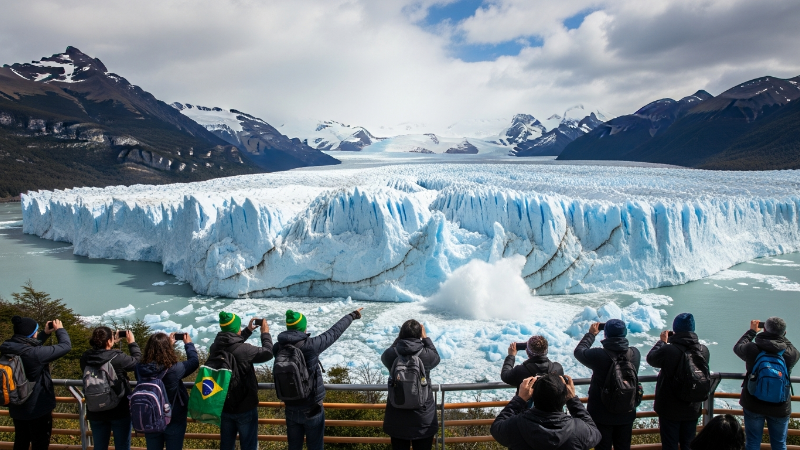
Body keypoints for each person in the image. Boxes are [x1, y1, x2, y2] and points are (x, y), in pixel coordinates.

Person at [274, 308, 364, 450]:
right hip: (312, 408)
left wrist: (263, 332)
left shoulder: (277, 348)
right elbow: (334, 332)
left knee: (293, 447)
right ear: (303, 327)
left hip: (290, 407)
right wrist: (352, 315)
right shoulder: (311, 345)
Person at [0, 316, 71, 450]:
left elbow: (27, 348)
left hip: (17, 406)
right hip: (37, 408)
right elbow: (66, 346)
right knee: (40, 444)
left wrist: (45, 334)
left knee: (21, 442)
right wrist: (60, 330)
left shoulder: (8, 348)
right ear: (33, 333)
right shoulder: (35, 355)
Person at [209, 312, 274, 450]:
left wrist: (247, 331)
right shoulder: (245, 350)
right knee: (249, 446)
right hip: (245, 407)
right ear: (236, 328)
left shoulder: (215, 347)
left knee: (226, 446)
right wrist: (265, 333)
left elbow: (232, 345)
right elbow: (268, 352)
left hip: (224, 406)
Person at [646, 313, 711, 450]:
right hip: (692, 407)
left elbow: (651, 358)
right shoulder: (703, 350)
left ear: (675, 329)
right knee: (688, 445)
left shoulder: (669, 350)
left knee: (670, 445)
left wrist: (662, 342)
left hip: (669, 409)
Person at [574, 319, 640, 450]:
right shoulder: (634, 353)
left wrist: (591, 334)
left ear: (606, 334)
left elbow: (579, 351)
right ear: (625, 333)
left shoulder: (598, 355)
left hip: (601, 414)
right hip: (626, 412)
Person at [734, 317, 798, 450]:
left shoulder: (752, 348)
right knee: (780, 444)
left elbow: (738, 347)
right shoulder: (790, 354)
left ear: (764, 329)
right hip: (780, 406)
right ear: (784, 333)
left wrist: (752, 332)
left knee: (752, 443)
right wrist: (781, 335)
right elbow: (792, 348)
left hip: (753, 402)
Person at [490, 374, 601, 450]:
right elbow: (596, 434)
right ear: (564, 398)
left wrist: (519, 399)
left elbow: (496, 428)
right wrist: (573, 400)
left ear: (533, 396)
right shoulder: (578, 430)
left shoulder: (516, 426)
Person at [381, 319, 441, 450]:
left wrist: (399, 339)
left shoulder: (392, 355)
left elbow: (385, 355)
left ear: (401, 334)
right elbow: (436, 357)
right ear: (419, 334)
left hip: (397, 420)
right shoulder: (426, 355)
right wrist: (425, 338)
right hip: (423, 420)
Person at [79, 327, 141, 450]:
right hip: (119, 410)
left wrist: (110, 343)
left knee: (100, 447)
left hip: (95, 410)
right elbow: (137, 362)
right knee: (122, 446)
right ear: (109, 341)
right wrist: (132, 342)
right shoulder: (117, 358)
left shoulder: (86, 357)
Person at [135, 332, 199, 450]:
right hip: (173, 417)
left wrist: (168, 346)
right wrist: (188, 344)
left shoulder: (140, 368)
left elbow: (154, 365)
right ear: (168, 349)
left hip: (150, 417)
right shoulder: (174, 369)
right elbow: (194, 362)